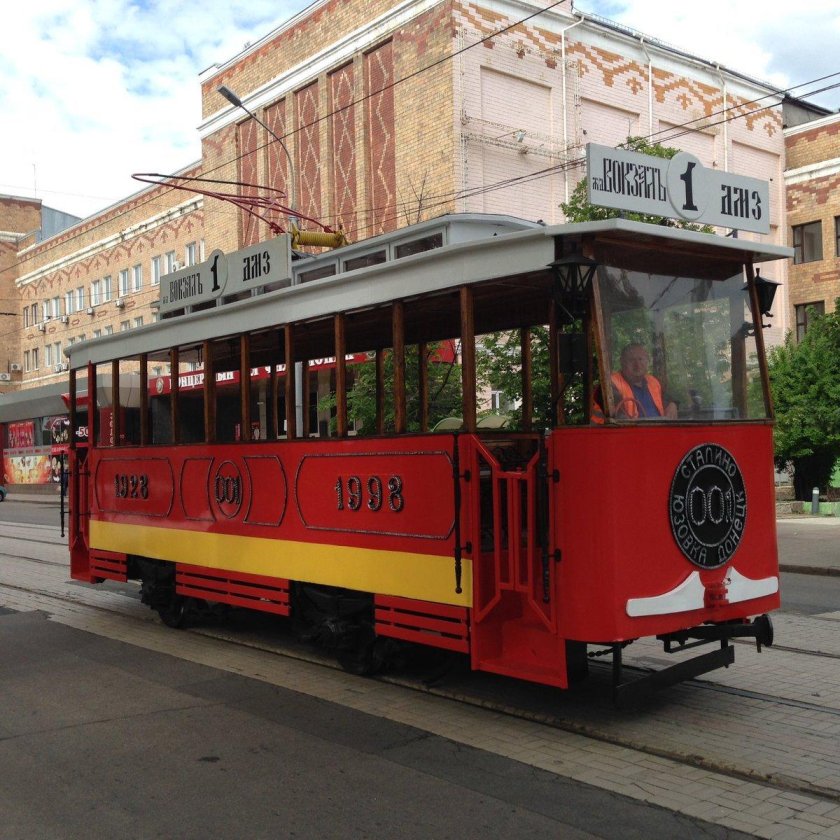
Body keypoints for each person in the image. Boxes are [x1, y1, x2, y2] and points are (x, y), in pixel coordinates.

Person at [592, 342, 678, 421]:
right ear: (622, 362)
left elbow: (666, 398)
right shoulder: (611, 384)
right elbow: (619, 419)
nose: (637, 364)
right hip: (624, 432)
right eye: (631, 360)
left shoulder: (653, 381)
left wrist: (672, 404)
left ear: (647, 361)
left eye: (640, 359)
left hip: (658, 430)